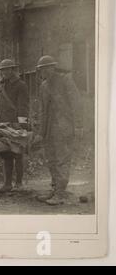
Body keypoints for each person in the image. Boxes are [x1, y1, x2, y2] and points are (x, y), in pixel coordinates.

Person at [34, 55, 83, 205]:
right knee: (51, 159)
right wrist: (41, 133)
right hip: (49, 129)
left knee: (62, 159)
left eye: (47, 68)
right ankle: (55, 188)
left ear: (53, 67)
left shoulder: (65, 81)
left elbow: (76, 103)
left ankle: (61, 193)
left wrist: (79, 125)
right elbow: (42, 111)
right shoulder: (43, 86)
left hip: (63, 127)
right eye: (42, 69)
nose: (44, 71)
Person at [0, 59, 29, 192]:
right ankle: (7, 184)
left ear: (12, 70)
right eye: (2, 70)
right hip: (1, 124)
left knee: (17, 153)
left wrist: (23, 126)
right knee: (5, 153)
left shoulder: (20, 85)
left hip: (15, 124)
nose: (4, 72)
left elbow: (23, 107)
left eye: (7, 69)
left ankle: (19, 183)